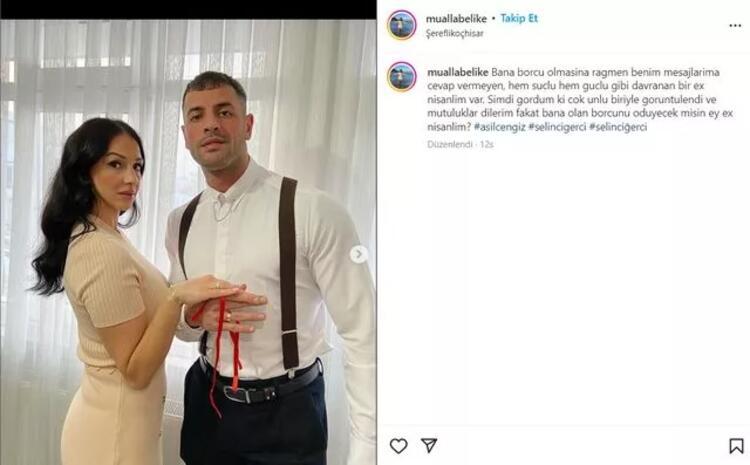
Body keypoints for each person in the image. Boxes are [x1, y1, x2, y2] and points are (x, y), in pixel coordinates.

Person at [166, 71, 375, 465]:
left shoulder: (312, 209)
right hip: (205, 404)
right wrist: (194, 318)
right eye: (196, 116)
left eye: (224, 112)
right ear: (186, 135)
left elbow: (364, 333)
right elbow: (178, 323)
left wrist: (369, 449)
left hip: (288, 414)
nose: (210, 124)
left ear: (247, 125)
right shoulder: (181, 221)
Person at [30, 117, 262, 465]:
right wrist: (176, 296)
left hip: (125, 425)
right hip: (112, 436)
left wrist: (192, 315)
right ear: (84, 171)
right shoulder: (99, 250)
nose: (132, 178)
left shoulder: (109, 235)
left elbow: (144, 329)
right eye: (115, 164)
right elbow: (136, 371)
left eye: (137, 166)